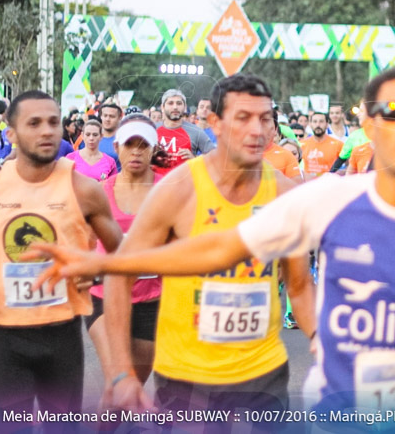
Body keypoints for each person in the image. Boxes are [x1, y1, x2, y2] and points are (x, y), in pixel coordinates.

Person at [33, 65, 395, 428]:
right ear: (367, 125)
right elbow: (218, 250)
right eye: (393, 113)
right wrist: (108, 262)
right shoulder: (326, 200)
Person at [39, 74, 316, 419]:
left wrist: (319, 335)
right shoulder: (177, 189)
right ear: (214, 123)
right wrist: (122, 373)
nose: (257, 130)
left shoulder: (285, 194)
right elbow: (121, 275)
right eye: (243, 118)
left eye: (264, 119)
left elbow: (300, 284)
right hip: (188, 368)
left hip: (261, 369)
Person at [0, 91, 122, 430]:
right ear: (11, 133)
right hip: (2, 339)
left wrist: (95, 270)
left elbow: (119, 252)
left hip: (62, 338)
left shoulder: (85, 190)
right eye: (34, 123)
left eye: (54, 122)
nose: (47, 131)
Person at [86, 114, 168, 400]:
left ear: (154, 149)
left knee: (131, 390)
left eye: (143, 145)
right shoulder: (98, 191)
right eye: (129, 144)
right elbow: (83, 241)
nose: (135, 151)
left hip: (151, 301)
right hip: (103, 298)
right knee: (117, 382)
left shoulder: (168, 192)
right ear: (117, 147)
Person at [155, 89, 215, 173]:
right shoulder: (152, 130)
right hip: (156, 185)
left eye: (179, 103)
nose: (175, 107)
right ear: (162, 107)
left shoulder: (196, 131)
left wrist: (195, 160)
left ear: (185, 107)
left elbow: (216, 160)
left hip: (186, 184)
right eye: (170, 103)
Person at [301, 111, 344, 180]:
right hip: (309, 185)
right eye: (315, 122)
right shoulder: (302, 144)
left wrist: (339, 173)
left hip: (329, 185)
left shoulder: (338, 144)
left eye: (321, 121)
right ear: (310, 124)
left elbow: (350, 164)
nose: (318, 125)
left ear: (327, 124)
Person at [97, 100, 124, 169]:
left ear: (119, 118)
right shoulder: (90, 138)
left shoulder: (124, 140)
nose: (107, 119)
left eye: (112, 116)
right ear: (101, 117)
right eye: (105, 115)